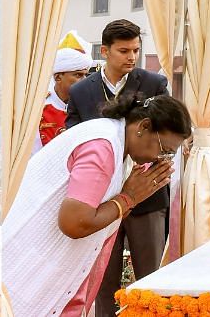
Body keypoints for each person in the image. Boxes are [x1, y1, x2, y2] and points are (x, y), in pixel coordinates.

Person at [2, 93, 191, 317]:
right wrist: (128, 198)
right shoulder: (103, 147)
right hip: (34, 261)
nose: (162, 158)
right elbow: (74, 222)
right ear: (144, 126)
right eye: (165, 149)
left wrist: (130, 197)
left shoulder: (115, 140)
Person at [64, 19, 170, 316]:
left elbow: (166, 133)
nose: (132, 57)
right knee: (103, 282)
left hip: (147, 194)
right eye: (124, 50)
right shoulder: (81, 91)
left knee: (150, 279)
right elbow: (72, 139)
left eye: (136, 50)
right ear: (105, 51)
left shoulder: (154, 84)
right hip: (99, 200)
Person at [38, 44, 93, 151]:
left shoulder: (90, 105)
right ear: (58, 77)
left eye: (86, 75)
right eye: (78, 75)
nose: (85, 80)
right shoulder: (38, 108)